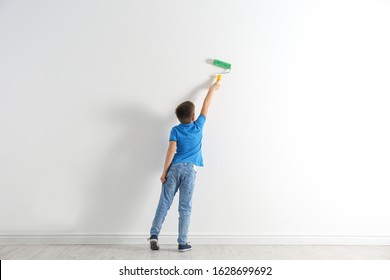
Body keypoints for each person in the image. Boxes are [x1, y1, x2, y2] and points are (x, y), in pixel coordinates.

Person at [148, 78, 221, 252]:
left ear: (178, 118)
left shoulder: (175, 130)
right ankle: (182, 242)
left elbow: (170, 152)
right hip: (189, 171)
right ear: (193, 116)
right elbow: (206, 104)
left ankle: (154, 235)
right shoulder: (198, 126)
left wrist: (164, 172)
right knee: (185, 207)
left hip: (173, 168)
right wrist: (213, 87)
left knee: (164, 203)